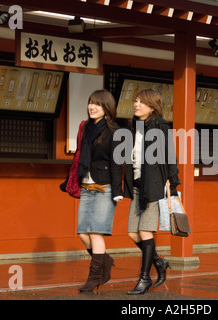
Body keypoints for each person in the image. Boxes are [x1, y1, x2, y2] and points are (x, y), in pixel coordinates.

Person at [123, 89, 181, 295]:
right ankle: (159, 261)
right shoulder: (133, 127)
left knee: (145, 232)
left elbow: (171, 158)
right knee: (132, 233)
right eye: (135, 101)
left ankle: (144, 278)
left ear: (152, 106)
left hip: (153, 186)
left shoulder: (161, 127)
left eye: (141, 102)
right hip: (138, 186)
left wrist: (173, 187)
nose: (136, 104)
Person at [74, 89, 123, 293]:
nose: (92, 107)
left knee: (95, 232)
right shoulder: (85, 128)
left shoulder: (115, 132)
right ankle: (104, 260)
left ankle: (94, 277)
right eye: (90, 102)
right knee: (82, 234)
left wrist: (117, 189)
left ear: (107, 108)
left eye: (98, 104)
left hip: (105, 188)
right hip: (87, 185)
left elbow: (117, 162)